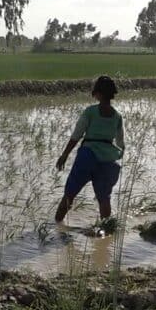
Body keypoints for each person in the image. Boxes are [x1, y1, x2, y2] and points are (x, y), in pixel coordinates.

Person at [54, 75, 125, 222]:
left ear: (97, 93)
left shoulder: (90, 112)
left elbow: (76, 135)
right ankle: (106, 232)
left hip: (87, 156)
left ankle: (56, 226)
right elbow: (120, 143)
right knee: (104, 199)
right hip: (107, 160)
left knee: (69, 194)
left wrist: (64, 155)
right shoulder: (117, 116)